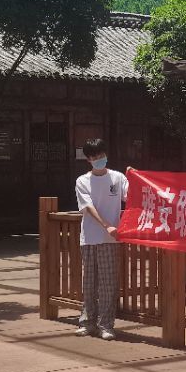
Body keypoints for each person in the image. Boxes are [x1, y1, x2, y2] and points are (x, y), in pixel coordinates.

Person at [74, 138, 128, 341]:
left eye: (102, 155)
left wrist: (135, 176)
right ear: (88, 160)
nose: (100, 159)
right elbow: (88, 207)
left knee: (108, 283)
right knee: (89, 282)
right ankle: (87, 322)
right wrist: (107, 225)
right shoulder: (82, 181)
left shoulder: (118, 177)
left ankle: (105, 325)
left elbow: (131, 196)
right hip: (89, 237)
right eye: (95, 157)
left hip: (111, 240)